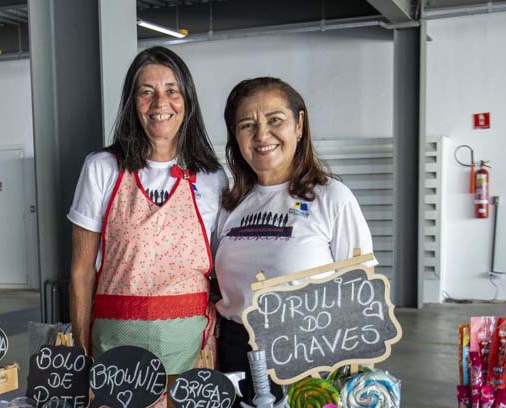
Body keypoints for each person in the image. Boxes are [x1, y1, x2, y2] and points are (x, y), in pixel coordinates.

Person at [68, 46, 226, 373]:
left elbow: (224, 270)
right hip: (115, 346)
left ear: (188, 101)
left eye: (172, 91)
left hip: (190, 349)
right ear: (131, 103)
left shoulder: (212, 178)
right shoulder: (102, 168)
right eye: (146, 92)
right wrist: (81, 350)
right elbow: (82, 271)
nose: (160, 103)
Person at [214, 77, 376, 388]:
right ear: (236, 137)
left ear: (299, 125)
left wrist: (356, 383)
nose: (262, 135)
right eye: (247, 125)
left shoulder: (332, 198)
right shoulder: (229, 205)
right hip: (235, 356)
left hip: (306, 358)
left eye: (275, 120)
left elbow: (362, 298)